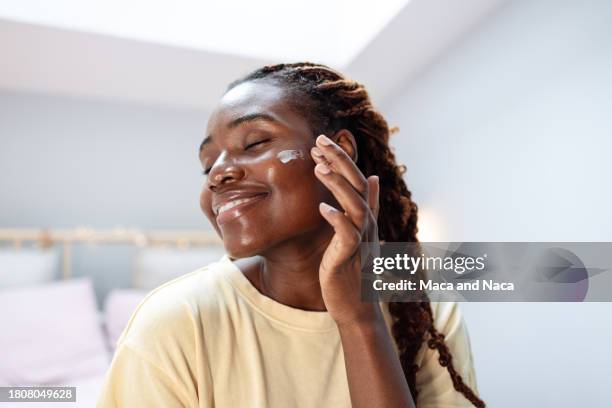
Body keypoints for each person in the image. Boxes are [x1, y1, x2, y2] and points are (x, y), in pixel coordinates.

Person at [97, 62, 485, 407]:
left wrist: (359, 320)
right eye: (207, 165)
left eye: (255, 142)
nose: (217, 174)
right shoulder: (174, 322)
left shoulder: (421, 305)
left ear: (337, 153)